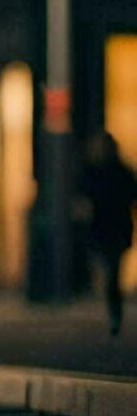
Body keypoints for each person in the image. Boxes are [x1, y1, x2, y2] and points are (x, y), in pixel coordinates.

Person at [79, 132, 137, 336]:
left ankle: (114, 313)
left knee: (113, 273)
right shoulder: (91, 172)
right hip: (101, 229)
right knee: (107, 271)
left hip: (115, 230)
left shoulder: (120, 172)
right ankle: (111, 306)